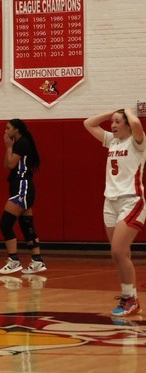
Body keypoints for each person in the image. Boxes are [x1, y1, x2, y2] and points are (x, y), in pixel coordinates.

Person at [84, 108, 146, 316]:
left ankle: (130, 299)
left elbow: (136, 124)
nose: (112, 125)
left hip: (132, 200)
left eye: (118, 122)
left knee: (118, 251)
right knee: (121, 254)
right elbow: (88, 123)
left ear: (127, 124)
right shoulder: (112, 141)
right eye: (112, 122)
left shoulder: (137, 141)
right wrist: (112, 112)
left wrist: (126, 109)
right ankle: (131, 298)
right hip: (110, 203)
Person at [0, 119, 46, 276]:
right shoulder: (18, 143)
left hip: (22, 187)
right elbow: (7, 164)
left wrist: (9, 147)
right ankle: (37, 260)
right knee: (26, 224)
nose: (5, 131)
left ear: (16, 129)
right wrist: (9, 148)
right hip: (20, 186)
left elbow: (11, 164)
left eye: (8, 128)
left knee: (5, 224)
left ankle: (14, 260)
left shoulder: (22, 143)